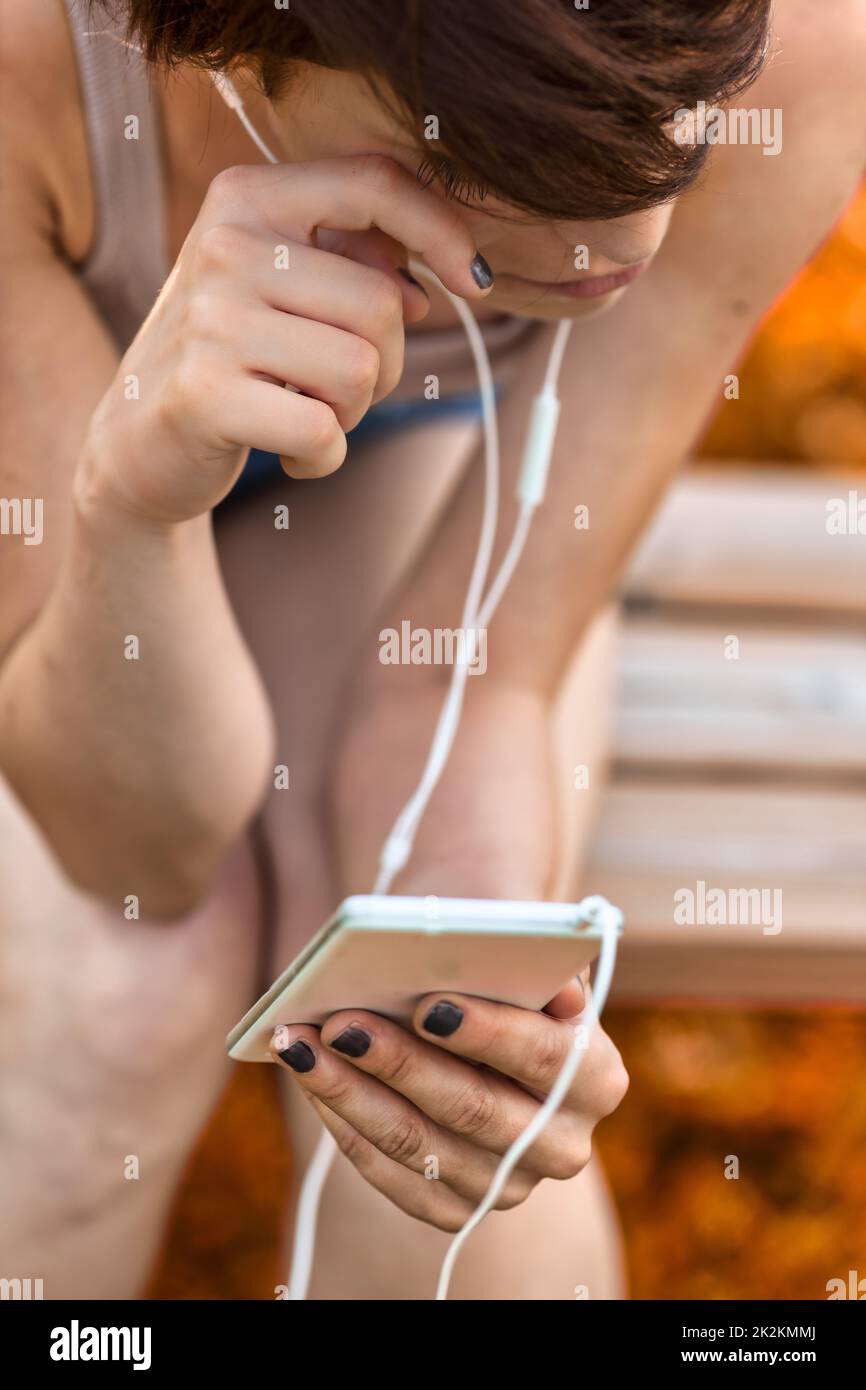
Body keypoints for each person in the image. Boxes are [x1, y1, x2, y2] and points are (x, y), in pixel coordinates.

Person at [0, 0, 863, 1300]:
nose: (622, 239)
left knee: (427, 1019)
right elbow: (137, 844)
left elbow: (474, 685)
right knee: (109, 1002)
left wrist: (481, 1008)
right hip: (52, 494)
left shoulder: (792, 39)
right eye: (468, 162)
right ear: (240, 49)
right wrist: (129, 507)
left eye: (668, 136)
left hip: (381, 464)